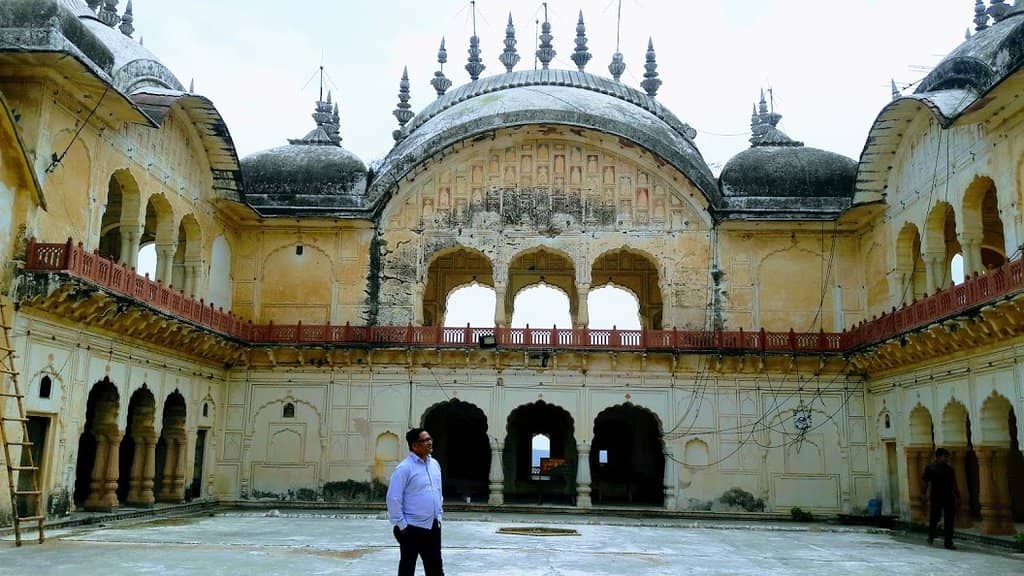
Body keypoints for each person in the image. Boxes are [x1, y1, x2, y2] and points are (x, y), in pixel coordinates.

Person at [387, 428, 445, 576]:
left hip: (432, 525)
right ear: (414, 446)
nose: (429, 442)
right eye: (425, 440)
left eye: (429, 438)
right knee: (407, 568)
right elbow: (393, 498)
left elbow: (438, 492)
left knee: (436, 569)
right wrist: (402, 525)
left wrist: (438, 516)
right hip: (411, 528)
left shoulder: (435, 465)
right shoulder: (404, 468)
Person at [921, 447, 960, 550]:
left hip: (948, 496)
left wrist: (957, 496)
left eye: (947, 457)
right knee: (934, 517)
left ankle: (948, 542)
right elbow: (925, 482)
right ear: (939, 457)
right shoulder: (930, 468)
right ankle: (931, 535)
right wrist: (923, 494)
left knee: (949, 519)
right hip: (936, 496)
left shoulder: (949, 469)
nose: (947, 459)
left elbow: (954, 484)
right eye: (945, 456)